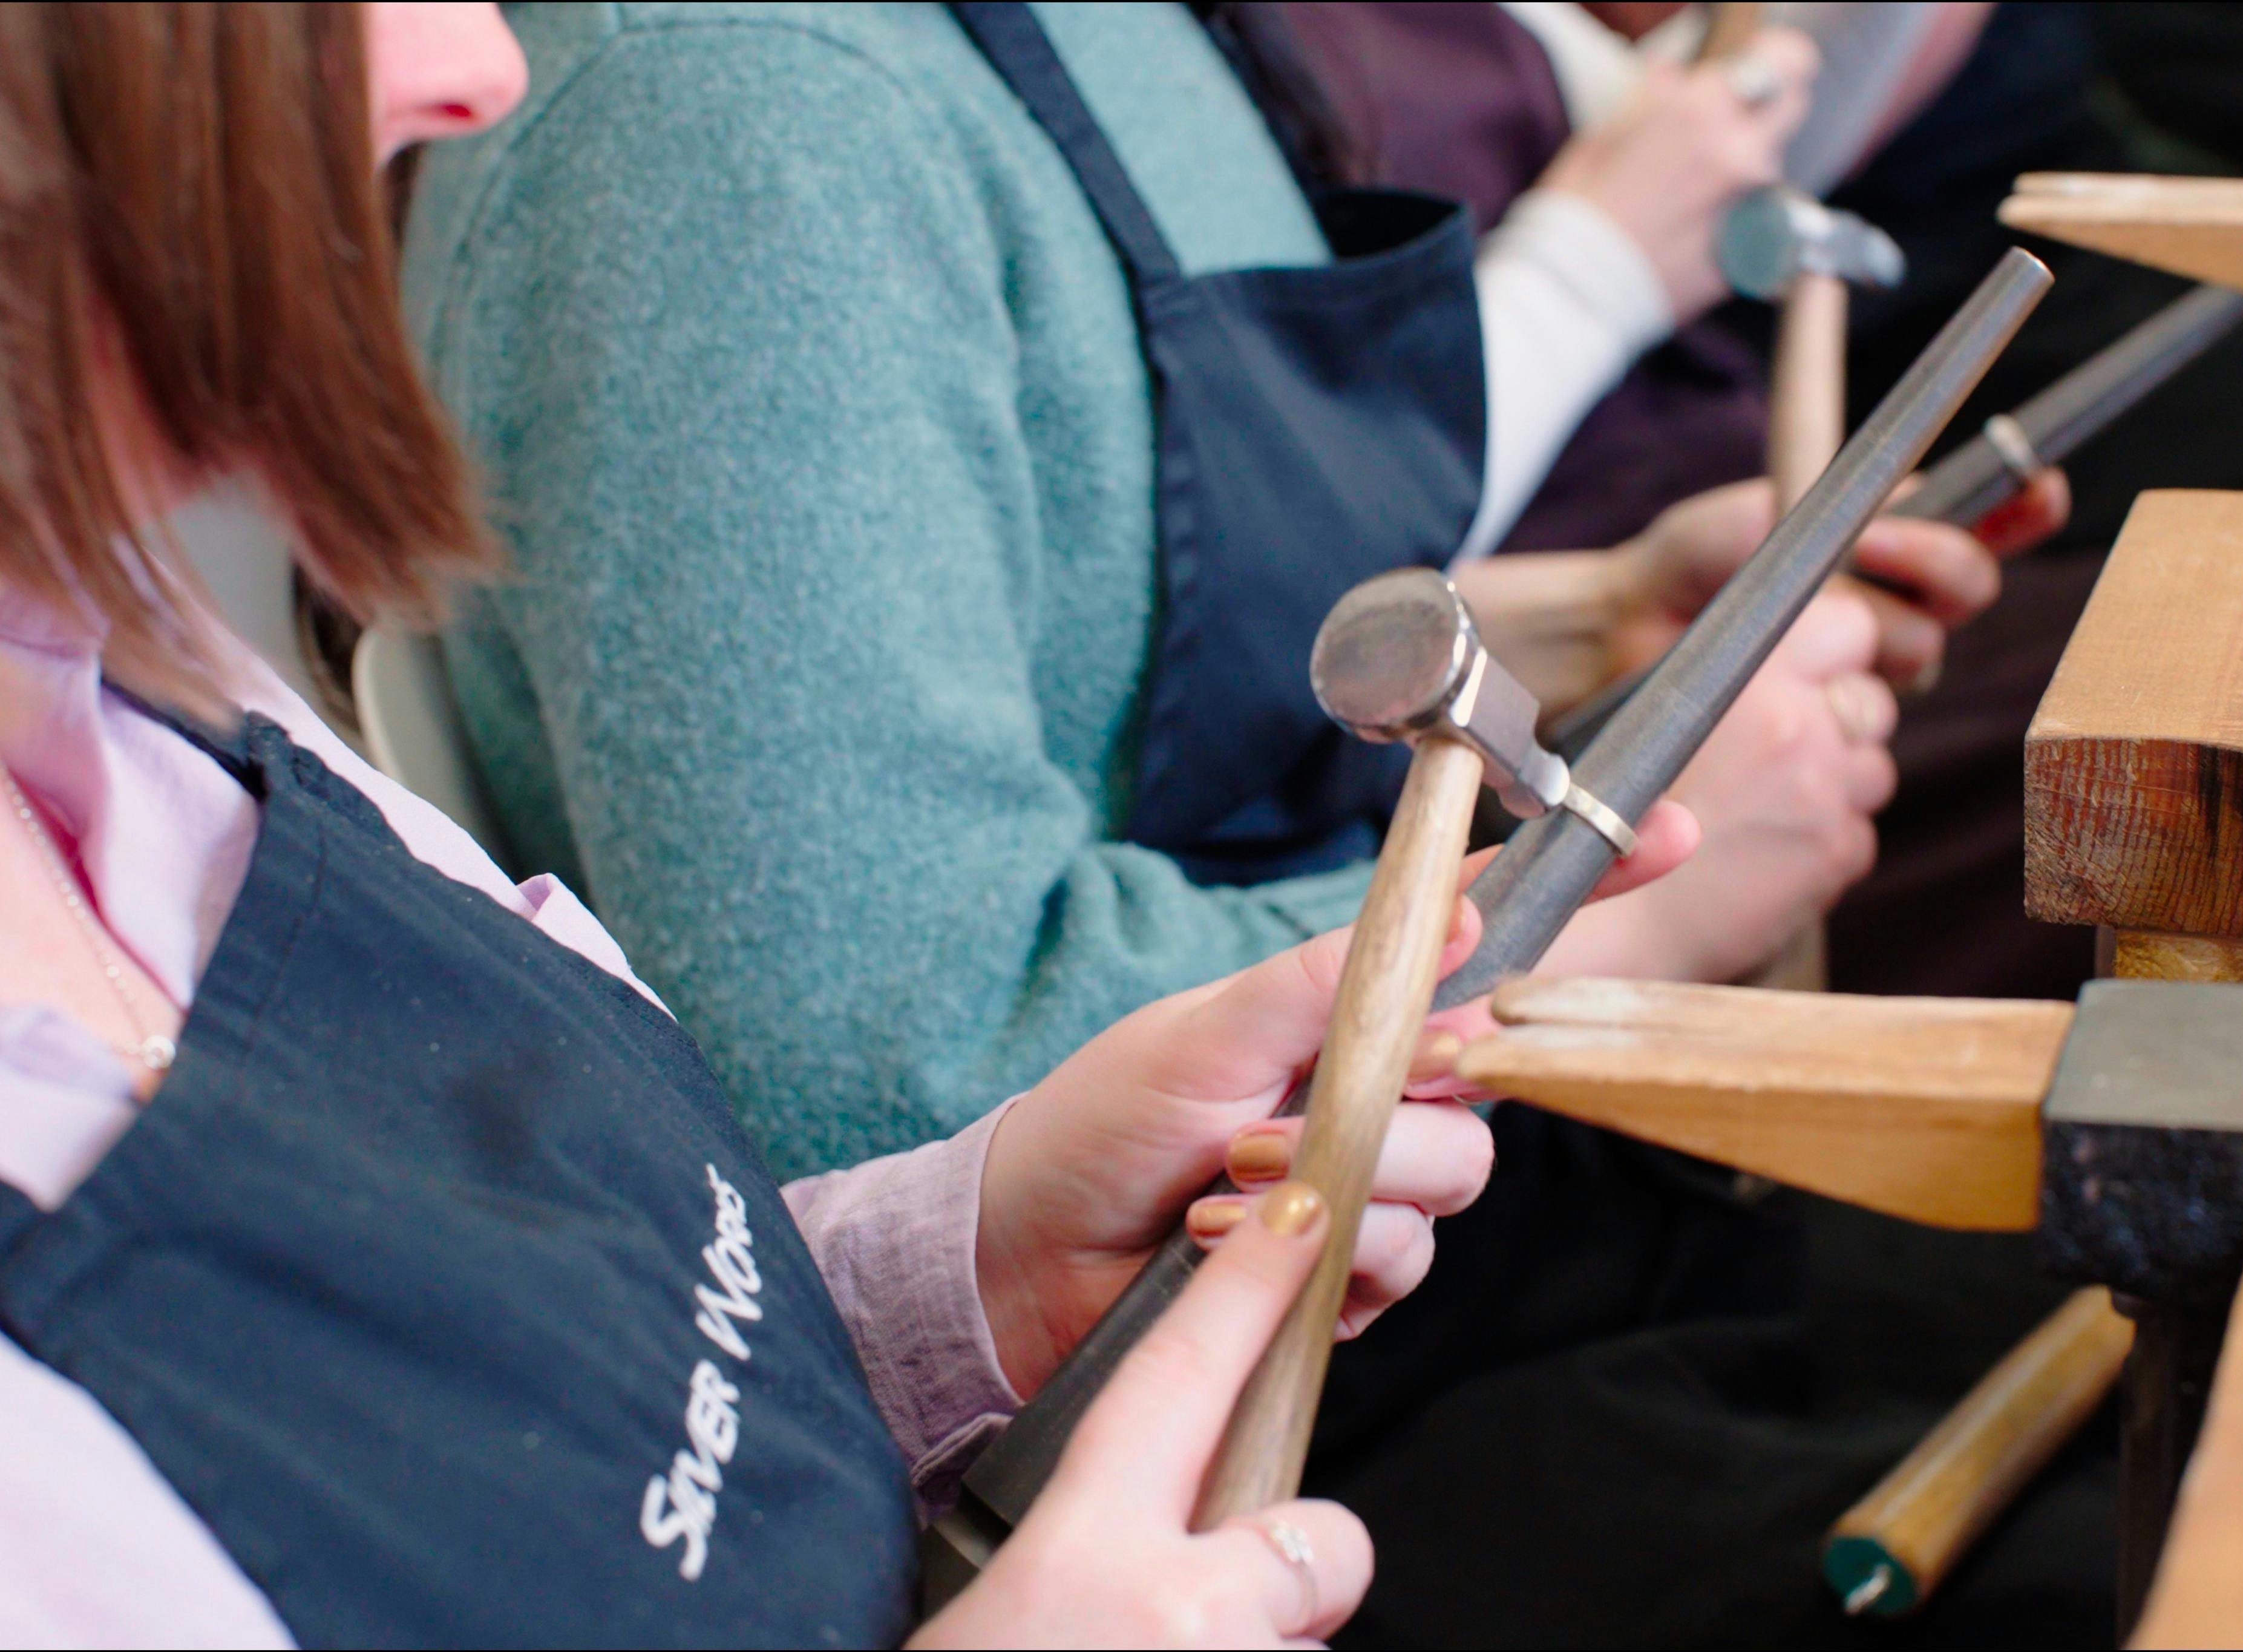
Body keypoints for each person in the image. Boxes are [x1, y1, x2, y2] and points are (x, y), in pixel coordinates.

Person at [0, 4, 1714, 1640]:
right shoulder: (720, 110)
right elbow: (874, 1031)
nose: (477, 67)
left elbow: (600, 1392)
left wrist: (965, 1264)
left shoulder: (130, 679)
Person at [399, 0, 2019, 1178]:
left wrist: (1579, 623)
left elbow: (1087, 634)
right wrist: (1610, 917)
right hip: (1233, 1324)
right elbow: (893, 1075)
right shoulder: (727, 131)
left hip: (1385, 1083)